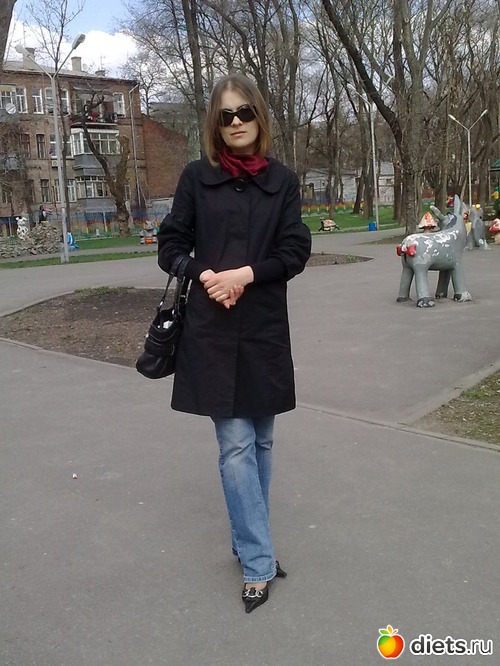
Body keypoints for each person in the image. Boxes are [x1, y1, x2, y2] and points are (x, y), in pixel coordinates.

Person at [157, 73, 311, 613]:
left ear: (259, 117)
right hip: (213, 332)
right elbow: (170, 244)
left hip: (264, 328)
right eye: (226, 116)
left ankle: (250, 543)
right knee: (237, 446)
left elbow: (294, 250)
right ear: (215, 125)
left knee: (261, 443)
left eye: (245, 112)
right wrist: (205, 275)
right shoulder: (196, 178)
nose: (237, 122)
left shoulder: (283, 181)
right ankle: (257, 561)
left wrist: (244, 275)